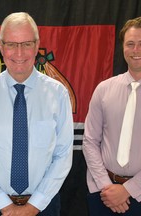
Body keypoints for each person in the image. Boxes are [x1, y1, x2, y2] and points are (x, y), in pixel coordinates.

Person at [0, 12, 74, 216]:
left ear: (37, 45)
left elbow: (63, 155)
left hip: (44, 206)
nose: (19, 53)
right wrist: (3, 205)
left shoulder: (57, 93)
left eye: (26, 44)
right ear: (0, 47)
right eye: (11, 44)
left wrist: (34, 206)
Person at [83, 16, 141, 215]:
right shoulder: (104, 89)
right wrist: (107, 187)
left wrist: (128, 190)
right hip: (103, 194)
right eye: (130, 44)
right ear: (123, 47)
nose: (136, 50)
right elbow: (90, 141)